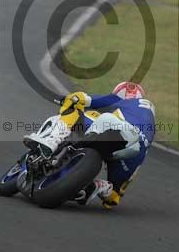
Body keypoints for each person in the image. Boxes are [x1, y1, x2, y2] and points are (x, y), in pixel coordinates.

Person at [23, 82, 156, 209]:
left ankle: (52, 141)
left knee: (74, 110)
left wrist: (66, 100)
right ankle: (99, 187)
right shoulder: (149, 121)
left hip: (114, 125)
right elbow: (111, 204)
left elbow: (81, 98)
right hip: (135, 150)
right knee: (113, 196)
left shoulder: (120, 98)